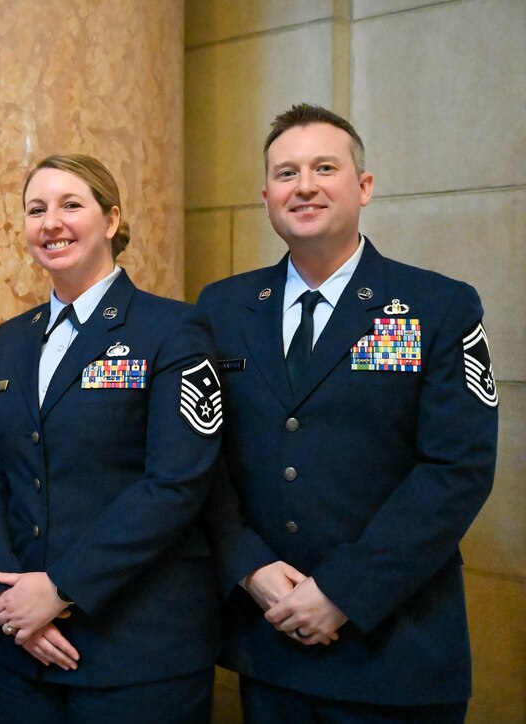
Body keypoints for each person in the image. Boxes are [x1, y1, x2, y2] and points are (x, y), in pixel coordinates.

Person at [198, 104, 498, 723]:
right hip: (269, 641)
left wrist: (342, 591)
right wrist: (247, 566)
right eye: (286, 173)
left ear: (363, 186)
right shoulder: (223, 308)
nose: (303, 186)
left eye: (324, 168)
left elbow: (457, 469)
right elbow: (202, 460)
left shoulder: (436, 306)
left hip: (396, 651)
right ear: (266, 196)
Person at [0, 154, 223, 723]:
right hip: (22, 648)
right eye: (36, 210)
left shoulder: (172, 329)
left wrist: (61, 587)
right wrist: (8, 601)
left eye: (70, 205)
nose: (51, 223)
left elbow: (175, 483)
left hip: (138, 647)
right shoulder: (8, 343)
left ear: (110, 220)